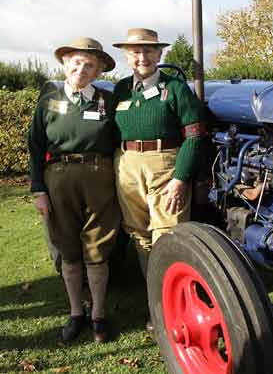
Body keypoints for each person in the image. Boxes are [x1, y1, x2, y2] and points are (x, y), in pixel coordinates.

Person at [28, 37, 121, 343]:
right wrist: (38, 190)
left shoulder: (107, 101)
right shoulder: (48, 100)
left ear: (98, 72)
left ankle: (98, 315)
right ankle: (75, 312)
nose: (82, 68)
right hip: (58, 178)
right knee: (67, 245)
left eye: (89, 64)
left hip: (99, 177)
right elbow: (35, 146)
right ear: (66, 65)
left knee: (98, 245)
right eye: (76, 62)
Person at [112, 28, 205, 330]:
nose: (143, 57)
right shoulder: (121, 90)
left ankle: (174, 310)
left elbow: (195, 135)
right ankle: (158, 302)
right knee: (140, 236)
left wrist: (181, 178)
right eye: (136, 52)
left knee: (168, 237)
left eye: (149, 51)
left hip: (166, 165)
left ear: (160, 54)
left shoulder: (176, 88)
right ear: (127, 56)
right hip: (127, 166)